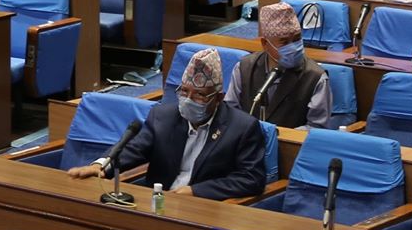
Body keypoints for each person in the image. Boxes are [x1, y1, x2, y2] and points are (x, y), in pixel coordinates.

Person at [65, 47, 267, 200]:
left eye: (199, 95)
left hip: (204, 209)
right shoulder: (163, 116)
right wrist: (102, 166)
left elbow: (252, 179)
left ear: (218, 98)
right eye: (184, 91)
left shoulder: (242, 127)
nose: (188, 100)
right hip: (158, 204)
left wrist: (196, 191)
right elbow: (134, 149)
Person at [225, 3, 334, 129]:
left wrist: (275, 136)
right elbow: (229, 112)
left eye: (297, 39)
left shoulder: (315, 77)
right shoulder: (244, 68)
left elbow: (317, 127)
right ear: (265, 44)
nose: (293, 47)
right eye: (284, 42)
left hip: (291, 146)